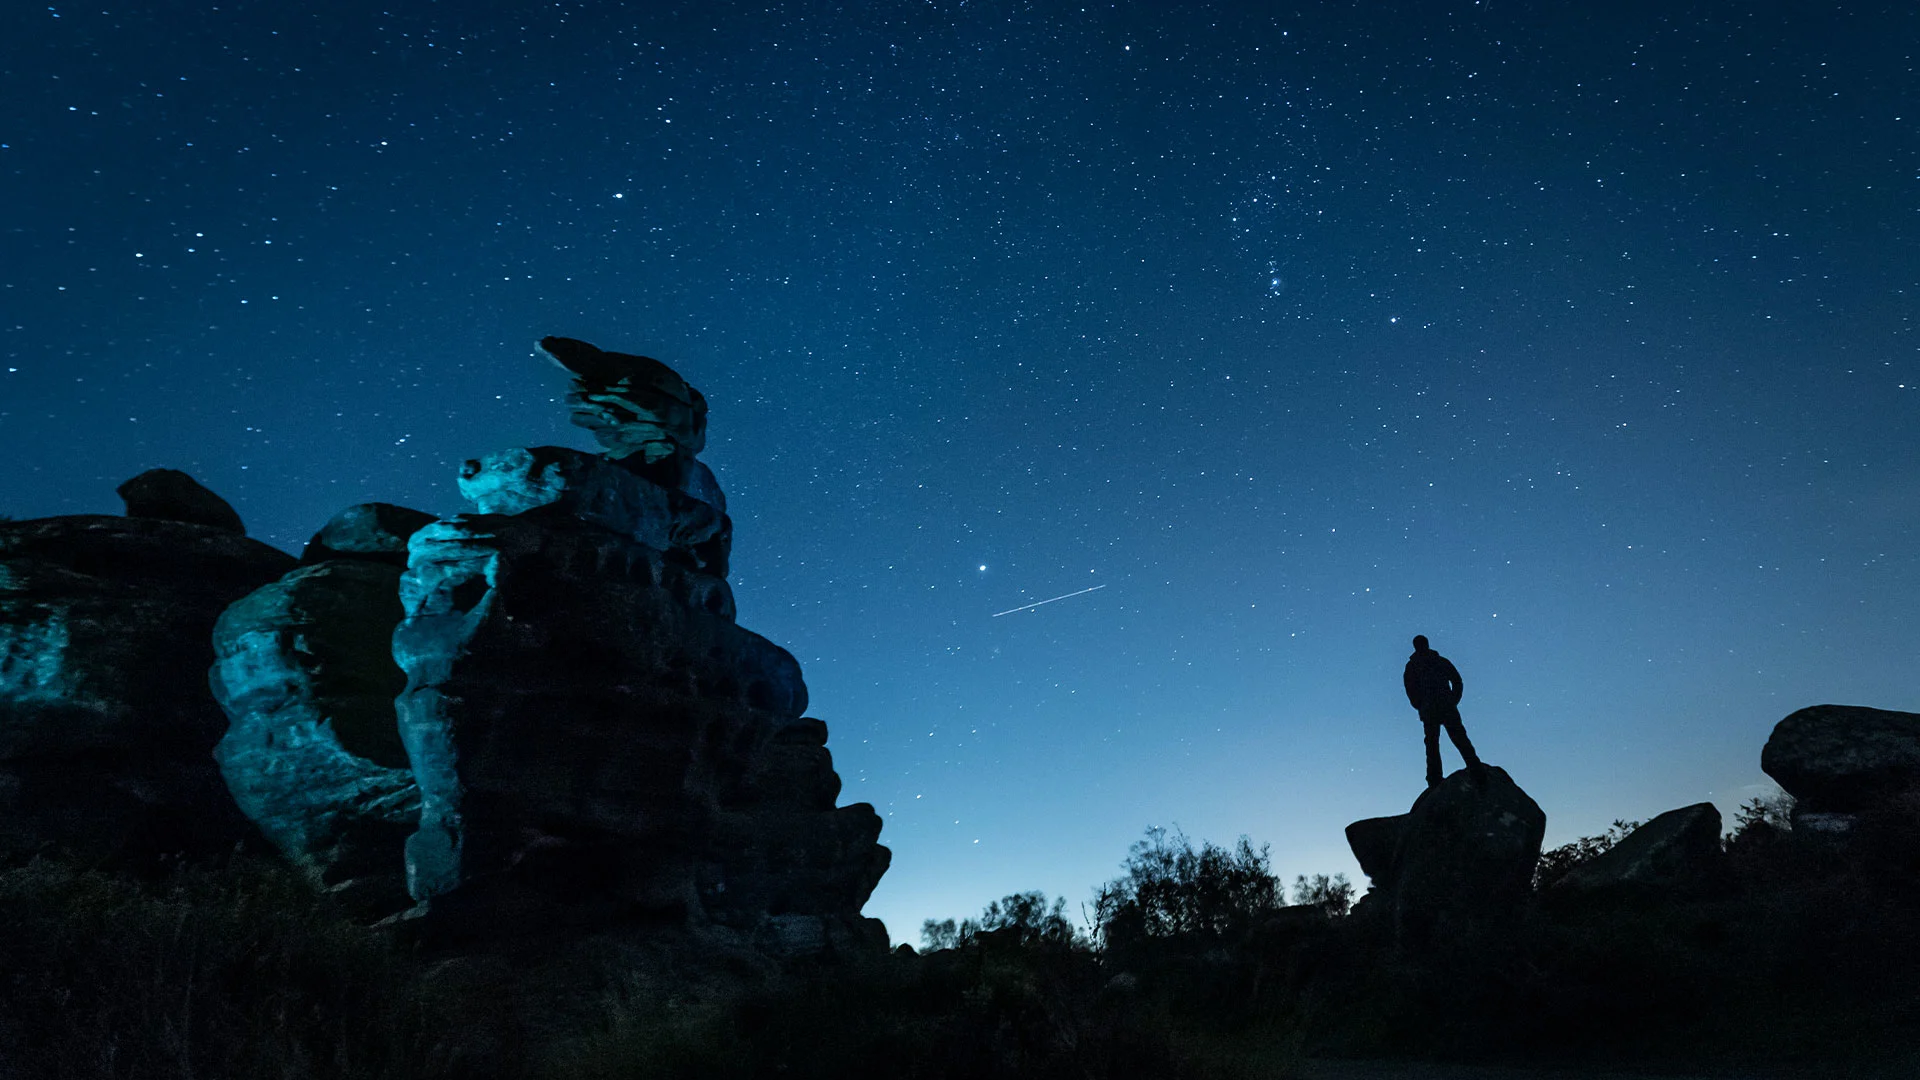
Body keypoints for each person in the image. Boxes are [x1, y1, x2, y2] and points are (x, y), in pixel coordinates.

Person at [1403, 635, 1487, 788]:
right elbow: (1410, 689)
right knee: (1432, 743)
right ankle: (1434, 779)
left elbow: (1457, 681)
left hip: (1445, 706)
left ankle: (1475, 767)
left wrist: (1453, 699)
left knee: (1457, 738)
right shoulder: (1413, 666)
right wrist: (1420, 705)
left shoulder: (1440, 661)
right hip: (1431, 709)